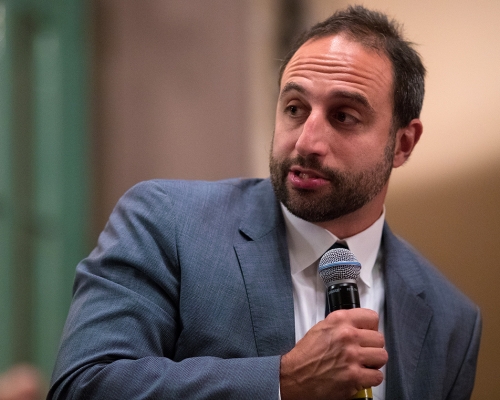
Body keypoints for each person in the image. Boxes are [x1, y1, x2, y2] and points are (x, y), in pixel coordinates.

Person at [48, 5, 481, 400]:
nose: (307, 141)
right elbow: (83, 386)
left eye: (343, 116)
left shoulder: (450, 321)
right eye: (294, 108)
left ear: (403, 144)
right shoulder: (166, 222)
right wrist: (283, 380)